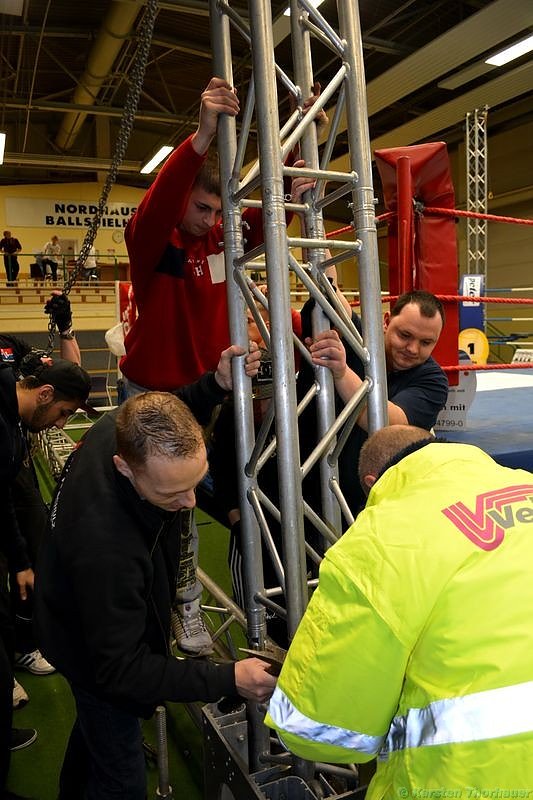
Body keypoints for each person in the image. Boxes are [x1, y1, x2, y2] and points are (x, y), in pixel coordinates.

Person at [120, 75, 315, 654]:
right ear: (182, 199)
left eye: (216, 209)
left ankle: (199, 594)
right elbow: (159, 204)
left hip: (208, 391)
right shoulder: (154, 243)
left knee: (208, 495)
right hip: (155, 393)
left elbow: (264, 209)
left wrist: (297, 137)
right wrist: (202, 137)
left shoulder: (217, 241)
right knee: (163, 502)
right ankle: (172, 603)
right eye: (201, 207)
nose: (211, 219)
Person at [34, 349, 276, 800]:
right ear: (124, 467)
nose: (189, 503)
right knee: (120, 777)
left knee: (92, 740)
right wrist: (230, 678)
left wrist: (214, 386)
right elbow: (120, 671)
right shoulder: (106, 547)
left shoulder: (125, 425)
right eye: (172, 491)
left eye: (195, 482)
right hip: (89, 650)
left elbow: (173, 407)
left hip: (77, 616)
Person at [266, 424, 533, 794]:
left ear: (372, 482)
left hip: (467, 780)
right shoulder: (525, 485)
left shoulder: (381, 540)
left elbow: (315, 732)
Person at [0, 358, 92, 800]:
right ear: (45, 395)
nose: (61, 424)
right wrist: (20, 559)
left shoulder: (15, 420)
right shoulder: (4, 425)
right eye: (64, 414)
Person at [298, 289, 449, 518]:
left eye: (426, 342)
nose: (412, 348)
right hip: (303, 483)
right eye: (405, 335)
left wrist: (341, 373)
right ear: (386, 321)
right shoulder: (359, 340)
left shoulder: (432, 380)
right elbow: (329, 287)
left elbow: (386, 424)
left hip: (369, 504)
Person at [0, 292, 81, 711]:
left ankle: (25, 644)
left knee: (31, 549)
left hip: (18, 457)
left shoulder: (12, 347)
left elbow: (71, 375)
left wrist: (65, 327)